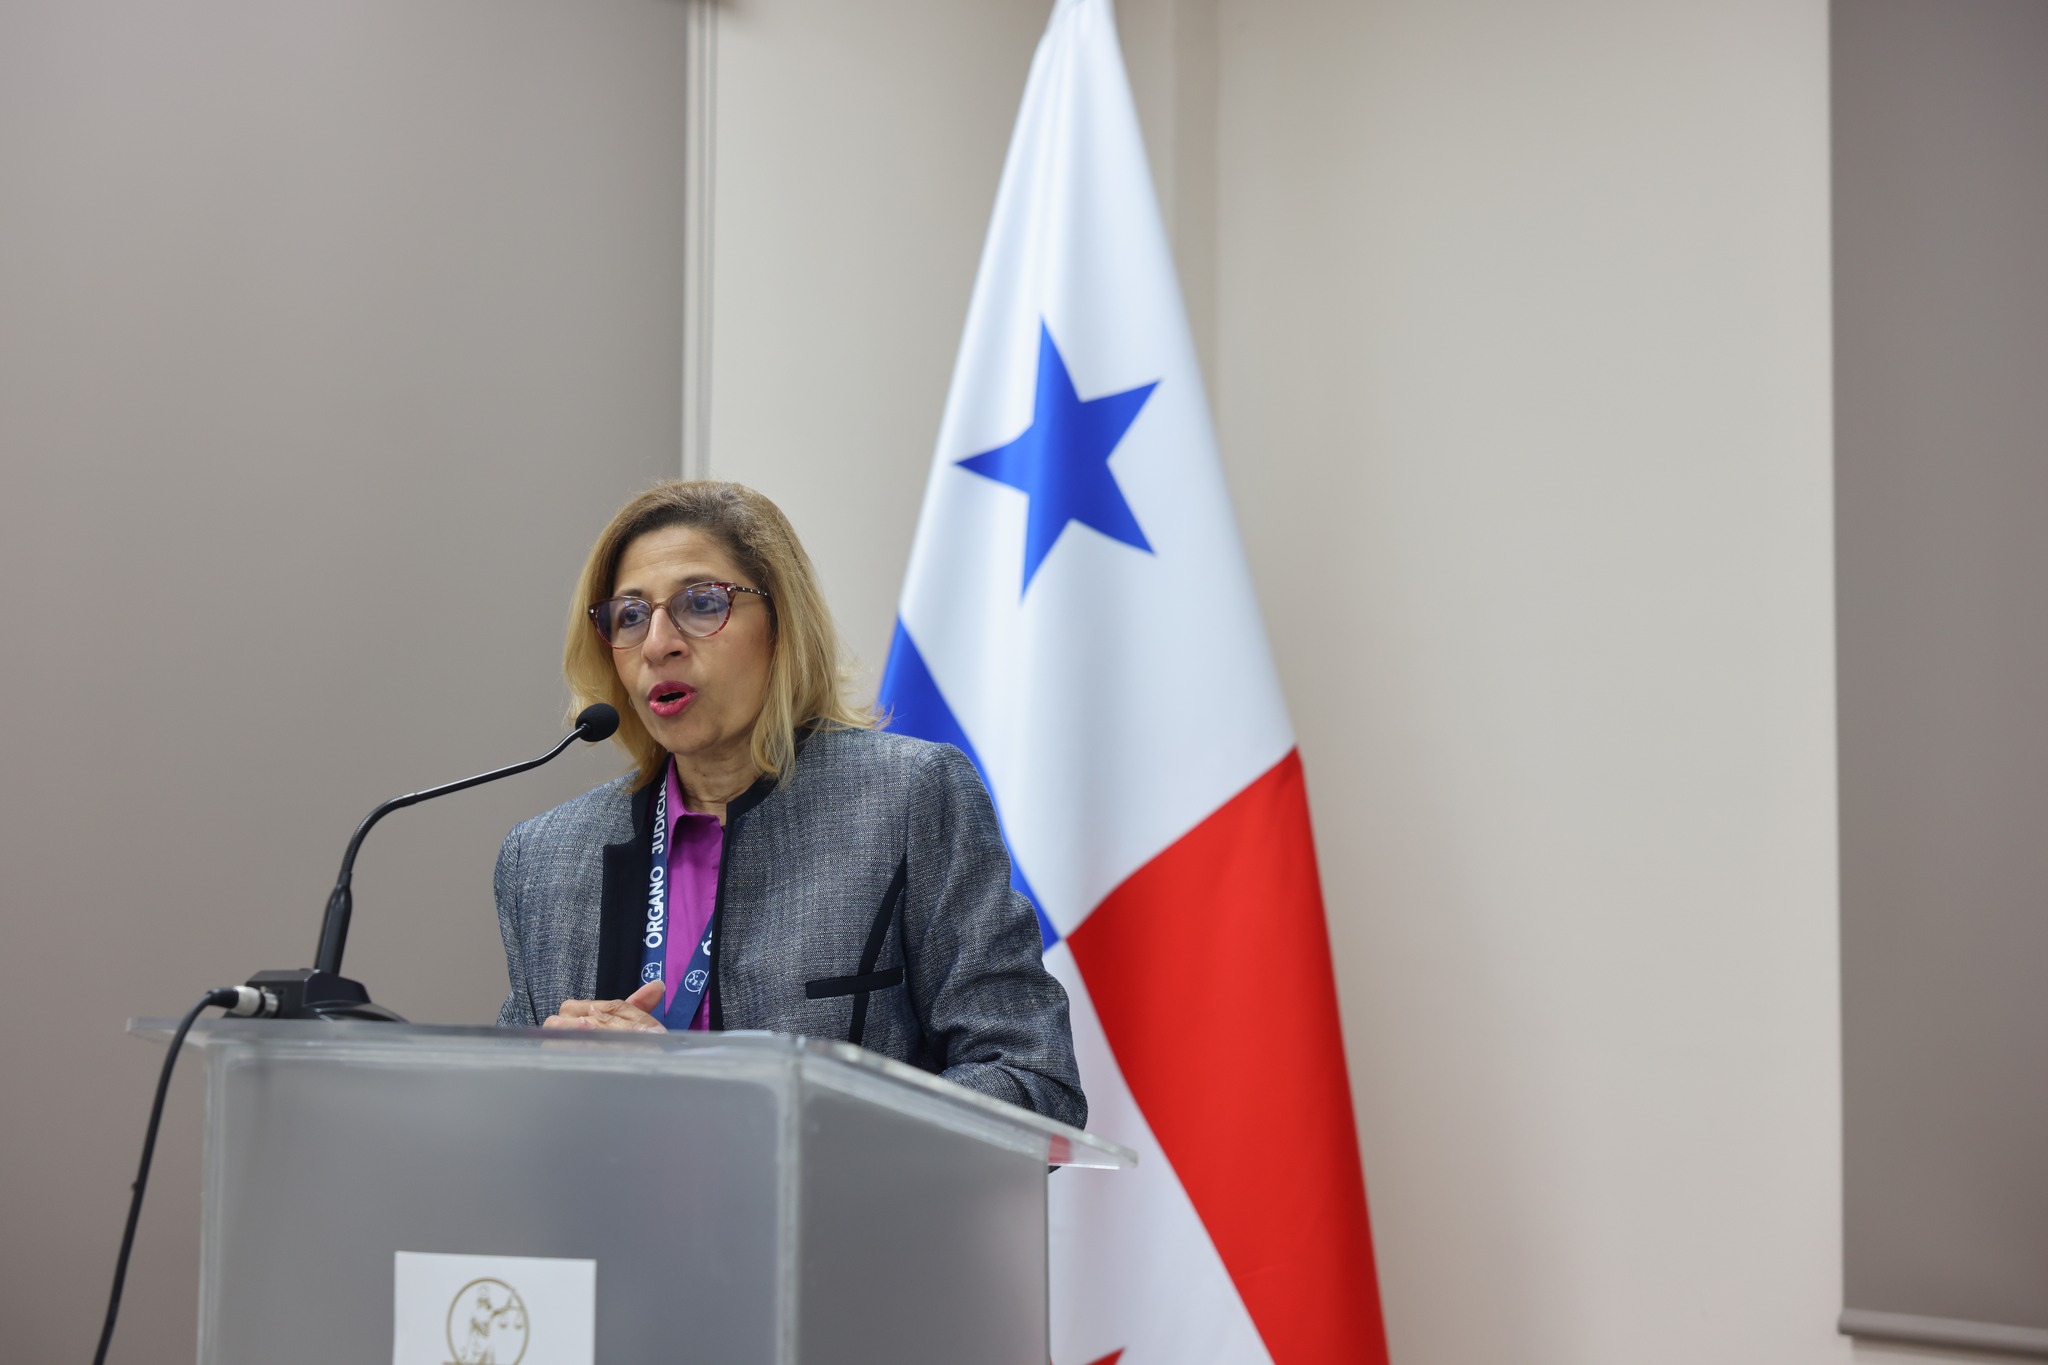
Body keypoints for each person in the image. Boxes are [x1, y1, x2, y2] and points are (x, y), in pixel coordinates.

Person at [493, 480, 1085, 1126]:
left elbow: (1031, 1080)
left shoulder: (906, 801)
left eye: (701, 603)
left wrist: (730, 1101)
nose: (658, 643)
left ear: (782, 625)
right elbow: (505, 1125)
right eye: (630, 616)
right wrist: (541, 1085)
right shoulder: (545, 860)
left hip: (840, 1195)